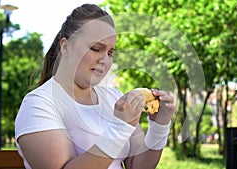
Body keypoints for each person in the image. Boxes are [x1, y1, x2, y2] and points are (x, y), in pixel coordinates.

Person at [15, 4, 176, 169]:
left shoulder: (114, 97)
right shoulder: (39, 105)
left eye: (110, 53)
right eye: (96, 48)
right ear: (65, 46)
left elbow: (138, 165)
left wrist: (160, 125)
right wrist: (120, 128)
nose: (104, 60)